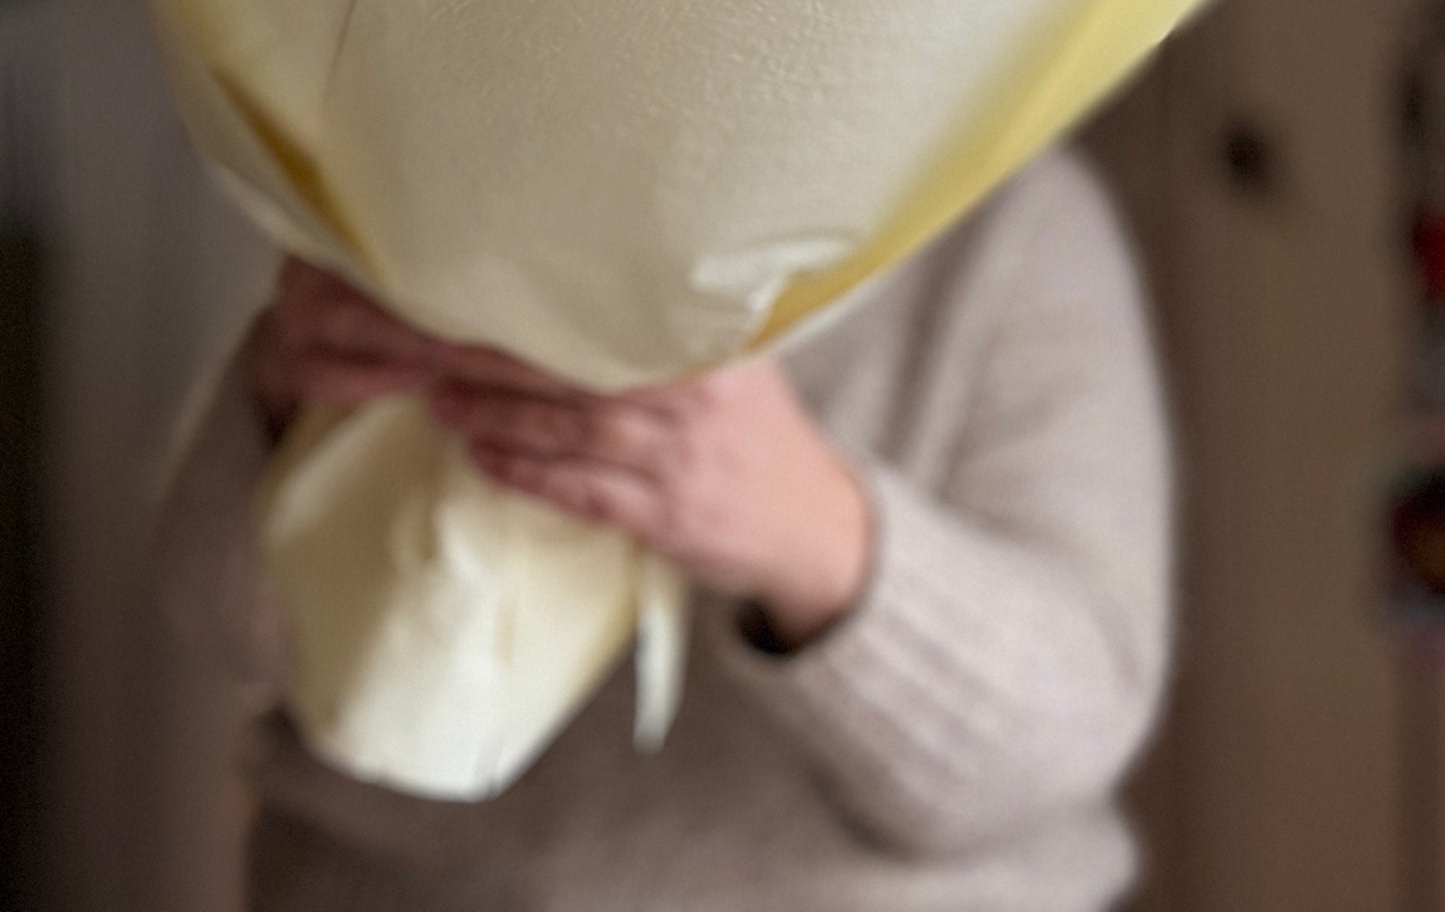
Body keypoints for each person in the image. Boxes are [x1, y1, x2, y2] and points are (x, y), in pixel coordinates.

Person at [155, 149, 1173, 912]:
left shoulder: (1011, 230)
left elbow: (1064, 738)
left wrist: (812, 531)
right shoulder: (424, 167)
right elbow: (217, 623)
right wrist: (284, 398)